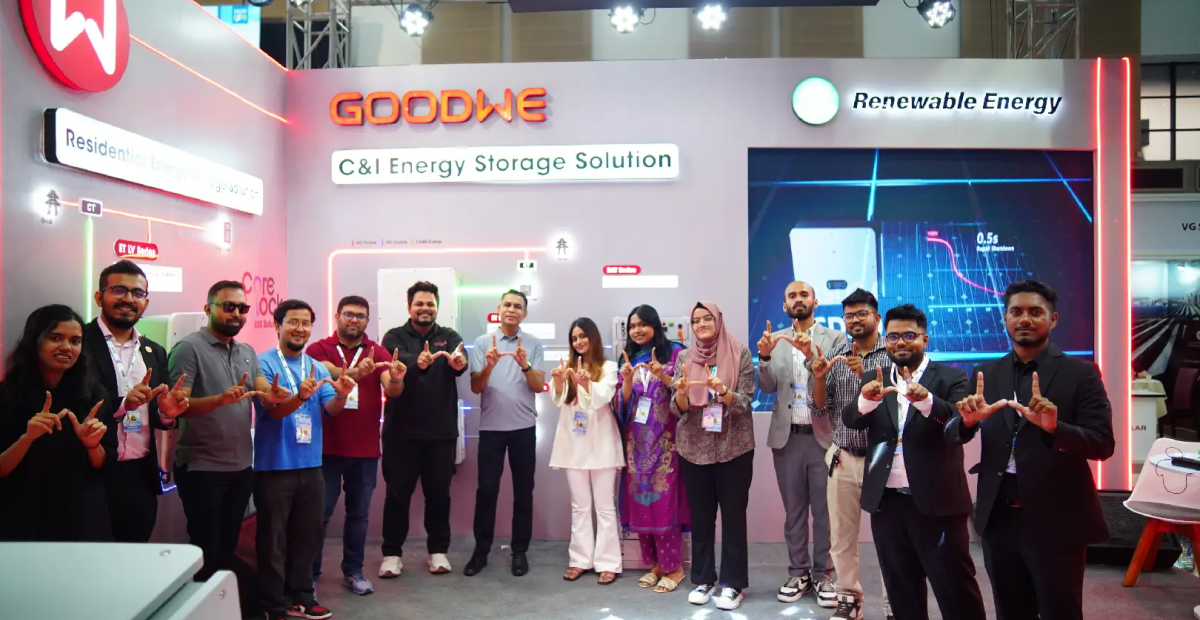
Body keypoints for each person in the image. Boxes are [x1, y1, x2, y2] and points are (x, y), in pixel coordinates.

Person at [947, 280, 1114, 620]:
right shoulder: (986, 373)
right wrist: (966, 422)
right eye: (1016, 312)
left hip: (1057, 518)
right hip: (999, 516)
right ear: (1005, 318)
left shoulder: (1081, 373)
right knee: (1010, 611)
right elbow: (953, 434)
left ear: (1053, 319)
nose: (1025, 319)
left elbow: (1102, 443)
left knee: (1060, 611)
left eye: (1035, 312)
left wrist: (1054, 428)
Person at [842, 304, 985, 620]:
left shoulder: (951, 377)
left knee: (956, 591)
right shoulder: (875, 378)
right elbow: (851, 420)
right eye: (893, 337)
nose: (900, 343)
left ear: (925, 339)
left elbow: (958, 427)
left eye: (909, 335)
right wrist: (866, 400)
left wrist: (926, 401)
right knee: (902, 592)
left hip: (939, 505)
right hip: (887, 505)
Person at [168, 280, 291, 582]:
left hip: (240, 468)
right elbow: (177, 407)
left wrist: (274, 395)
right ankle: (200, 603)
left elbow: (262, 389)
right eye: (228, 306)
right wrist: (218, 400)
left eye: (242, 308)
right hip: (202, 468)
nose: (237, 313)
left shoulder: (246, 350)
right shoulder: (188, 349)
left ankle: (221, 601)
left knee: (227, 547)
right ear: (208, 309)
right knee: (205, 548)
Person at [253, 299, 356, 620]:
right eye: (293, 322)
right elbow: (272, 410)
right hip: (274, 466)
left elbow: (331, 409)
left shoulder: (317, 367)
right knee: (273, 540)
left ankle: (301, 597)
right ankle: (274, 604)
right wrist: (299, 396)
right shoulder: (262, 363)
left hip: (311, 466)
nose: (300, 329)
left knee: (307, 536)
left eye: (306, 323)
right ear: (277, 325)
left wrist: (342, 393)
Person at [85, 260, 189, 543]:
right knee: (94, 558)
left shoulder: (153, 351)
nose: (129, 299)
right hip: (93, 473)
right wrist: (123, 405)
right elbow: (75, 402)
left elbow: (156, 414)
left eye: (137, 293)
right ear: (99, 297)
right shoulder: (79, 343)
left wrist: (166, 414)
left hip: (140, 475)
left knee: (135, 553)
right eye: (119, 290)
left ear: (145, 302)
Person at [756, 281, 843, 606]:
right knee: (793, 512)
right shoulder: (775, 340)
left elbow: (834, 382)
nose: (798, 299)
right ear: (784, 305)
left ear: (815, 302)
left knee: (824, 513)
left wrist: (810, 356)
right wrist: (764, 357)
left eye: (803, 294)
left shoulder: (835, 338)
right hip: (787, 438)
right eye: (791, 296)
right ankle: (798, 573)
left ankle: (823, 575)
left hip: (823, 438)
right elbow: (766, 387)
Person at [807, 288, 892, 620]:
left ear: (876, 317)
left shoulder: (893, 354)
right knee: (842, 537)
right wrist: (818, 378)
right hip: (843, 458)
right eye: (849, 316)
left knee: (891, 537)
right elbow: (820, 408)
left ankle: (894, 602)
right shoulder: (836, 354)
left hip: (885, 460)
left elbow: (899, 405)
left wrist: (864, 376)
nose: (854, 320)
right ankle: (849, 599)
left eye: (861, 313)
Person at [0, 305, 115, 542]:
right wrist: (27, 439)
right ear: (35, 341)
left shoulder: (93, 395)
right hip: (23, 516)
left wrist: (92, 445)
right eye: (55, 338)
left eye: (75, 341)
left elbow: (104, 463)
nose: (66, 347)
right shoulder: (7, 395)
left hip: (82, 517)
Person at [377, 282, 467, 578]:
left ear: (437, 307)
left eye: (430, 304)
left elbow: (460, 361)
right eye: (419, 304)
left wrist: (458, 362)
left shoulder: (449, 336)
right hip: (401, 434)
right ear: (409, 307)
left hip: (440, 434)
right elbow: (392, 362)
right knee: (397, 496)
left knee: (439, 495)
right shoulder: (394, 336)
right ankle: (392, 555)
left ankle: (438, 552)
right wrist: (417, 361)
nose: (425, 309)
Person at [670, 302, 755, 612]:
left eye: (707, 318)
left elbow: (746, 400)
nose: (702, 324)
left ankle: (733, 584)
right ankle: (704, 579)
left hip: (734, 446)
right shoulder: (684, 357)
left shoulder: (739, 352)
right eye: (696, 320)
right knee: (701, 518)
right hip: (694, 449)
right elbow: (676, 408)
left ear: (718, 320)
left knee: (734, 518)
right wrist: (681, 393)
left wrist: (723, 392)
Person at [307, 295, 394, 595]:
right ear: (337, 316)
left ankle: (353, 571)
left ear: (367, 320)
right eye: (348, 314)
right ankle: (310, 576)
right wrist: (352, 373)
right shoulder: (319, 348)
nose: (354, 320)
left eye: (360, 315)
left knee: (358, 515)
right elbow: (321, 368)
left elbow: (391, 386)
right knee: (319, 515)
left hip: (365, 450)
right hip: (325, 449)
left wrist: (396, 378)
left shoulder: (377, 351)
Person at [466, 289, 546, 577]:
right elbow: (476, 386)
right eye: (508, 305)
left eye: (518, 306)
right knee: (487, 492)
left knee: (524, 493)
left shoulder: (533, 344)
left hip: (524, 429)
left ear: (524, 313)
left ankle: (520, 551)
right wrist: (488, 366)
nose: (512, 309)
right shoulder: (482, 343)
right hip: (491, 430)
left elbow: (538, 385)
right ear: (499, 309)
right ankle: (481, 552)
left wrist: (525, 364)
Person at [612, 305, 690, 595]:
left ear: (656, 326)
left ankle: (675, 567)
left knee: (665, 502)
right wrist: (627, 381)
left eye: (643, 324)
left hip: (667, 443)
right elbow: (621, 405)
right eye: (632, 326)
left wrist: (663, 375)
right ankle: (656, 564)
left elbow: (686, 393)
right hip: (637, 446)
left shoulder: (675, 353)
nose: (637, 330)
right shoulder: (628, 358)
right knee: (642, 504)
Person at [549, 318, 623, 585]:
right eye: (574, 338)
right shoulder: (566, 368)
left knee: (605, 506)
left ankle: (608, 562)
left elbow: (602, 397)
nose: (578, 341)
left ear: (593, 337)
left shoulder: (609, 368)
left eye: (583, 336)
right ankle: (580, 560)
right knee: (579, 506)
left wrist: (584, 383)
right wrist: (560, 382)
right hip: (573, 446)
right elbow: (559, 400)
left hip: (602, 444)